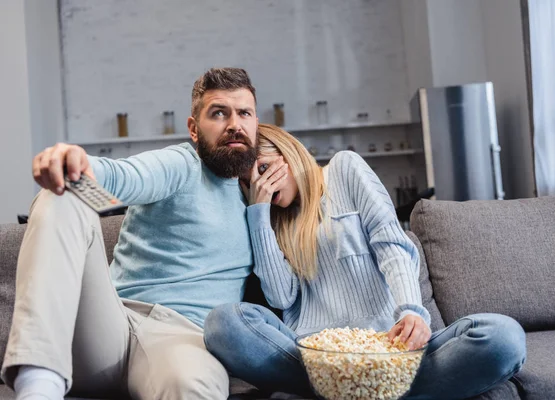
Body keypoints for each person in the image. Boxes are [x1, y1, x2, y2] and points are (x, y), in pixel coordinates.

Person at [204, 124, 527, 399]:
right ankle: (370, 389)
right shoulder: (273, 223)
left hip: (393, 352)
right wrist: (259, 214)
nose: (260, 186)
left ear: (287, 153)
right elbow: (280, 297)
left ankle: (355, 389)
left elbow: (391, 243)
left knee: (503, 337)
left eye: (263, 170)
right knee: (224, 323)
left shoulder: (344, 169)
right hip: (315, 359)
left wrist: (411, 311)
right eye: (249, 184)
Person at [1, 67, 260, 400]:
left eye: (244, 113)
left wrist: (265, 204)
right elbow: (123, 175)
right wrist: (77, 165)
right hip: (108, 327)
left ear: (256, 124)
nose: (234, 124)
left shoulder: (259, 202)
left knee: (193, 386)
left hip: (182, 342)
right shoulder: (180, 165)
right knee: (67, 191)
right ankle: (38, 386)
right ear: (194, 130)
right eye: (219, 113)